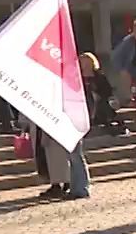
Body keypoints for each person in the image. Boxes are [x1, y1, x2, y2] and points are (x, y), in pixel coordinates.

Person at [35, 53, 95, 200]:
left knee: (76, 157)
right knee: (73, 157)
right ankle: (77, 187)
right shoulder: (74, 85)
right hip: (72, 122)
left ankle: (81, 188)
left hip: (74, 123)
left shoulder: (77, 86)